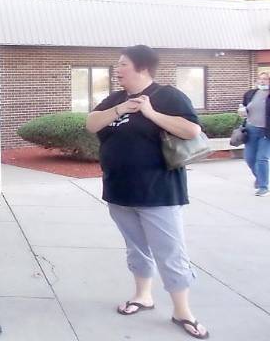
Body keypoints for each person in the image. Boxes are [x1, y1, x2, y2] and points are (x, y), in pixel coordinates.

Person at [86, 45, 209, 340]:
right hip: (119, 190)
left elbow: (191, 130)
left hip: (159, 193)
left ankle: (183, 312)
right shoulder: (115, 99)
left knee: (170, 252)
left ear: (142, 68)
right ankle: (143, 296)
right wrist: (119, 109)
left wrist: (150, 112)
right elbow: (91, 123)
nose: (118, 69)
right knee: (136, 248)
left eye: (123, 64)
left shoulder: (167, 95)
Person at [238, 72, 270, 197]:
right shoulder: (250, 94)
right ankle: (260, 177)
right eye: (260, 79)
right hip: (250, 130)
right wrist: (242, 111)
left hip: (266, 132)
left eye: (265, 79)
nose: (262, 81)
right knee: (250, 159)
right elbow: (244, 108)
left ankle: (263, 186)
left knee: (262, 158)